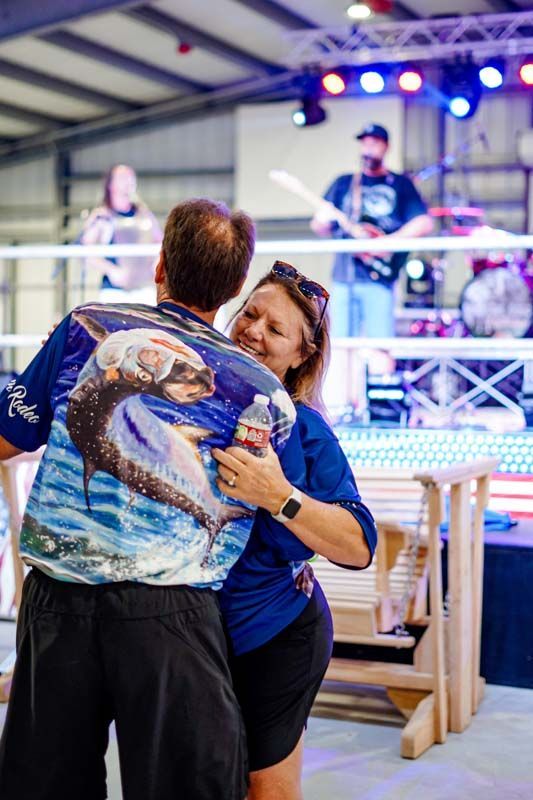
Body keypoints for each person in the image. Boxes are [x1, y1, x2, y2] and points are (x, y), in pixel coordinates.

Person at [0, 199, 301, 800]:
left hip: (60, 602)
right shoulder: (267, 393)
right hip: (174, 615)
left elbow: (8, 439)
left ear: (160, 262)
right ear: (236, 287)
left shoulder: (85, 326)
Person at [213, 261, 377, 800]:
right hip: (193, 636)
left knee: (267, 790)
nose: (253, 331)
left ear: (301, 354)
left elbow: (357, 543)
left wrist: (278, 496)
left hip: (275, 633)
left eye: (276, 329)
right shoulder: (194, 393)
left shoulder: (305, 428)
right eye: (250, 313)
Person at [311, 123, 433, 338]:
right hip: (344, 276)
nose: (368, 148)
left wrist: (388, 242)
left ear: (386, 147)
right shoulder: (344, 183)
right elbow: (318, 226)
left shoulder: (400, 184)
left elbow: (424, 222)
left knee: (380, 343)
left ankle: (381, 374)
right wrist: (323, 219)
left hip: (380, 277)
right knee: (340, 344)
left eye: (374, 143)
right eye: (365, 143)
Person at [80, 164, 162, 304]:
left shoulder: (144, 215)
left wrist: (155, 265)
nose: (129, 181)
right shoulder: (101, 216)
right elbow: (85, 251)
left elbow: (162, 243)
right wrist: (111, 270)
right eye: (123, 177)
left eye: (131, 177)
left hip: (143, 289)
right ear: (110, 184)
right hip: (114, 290)